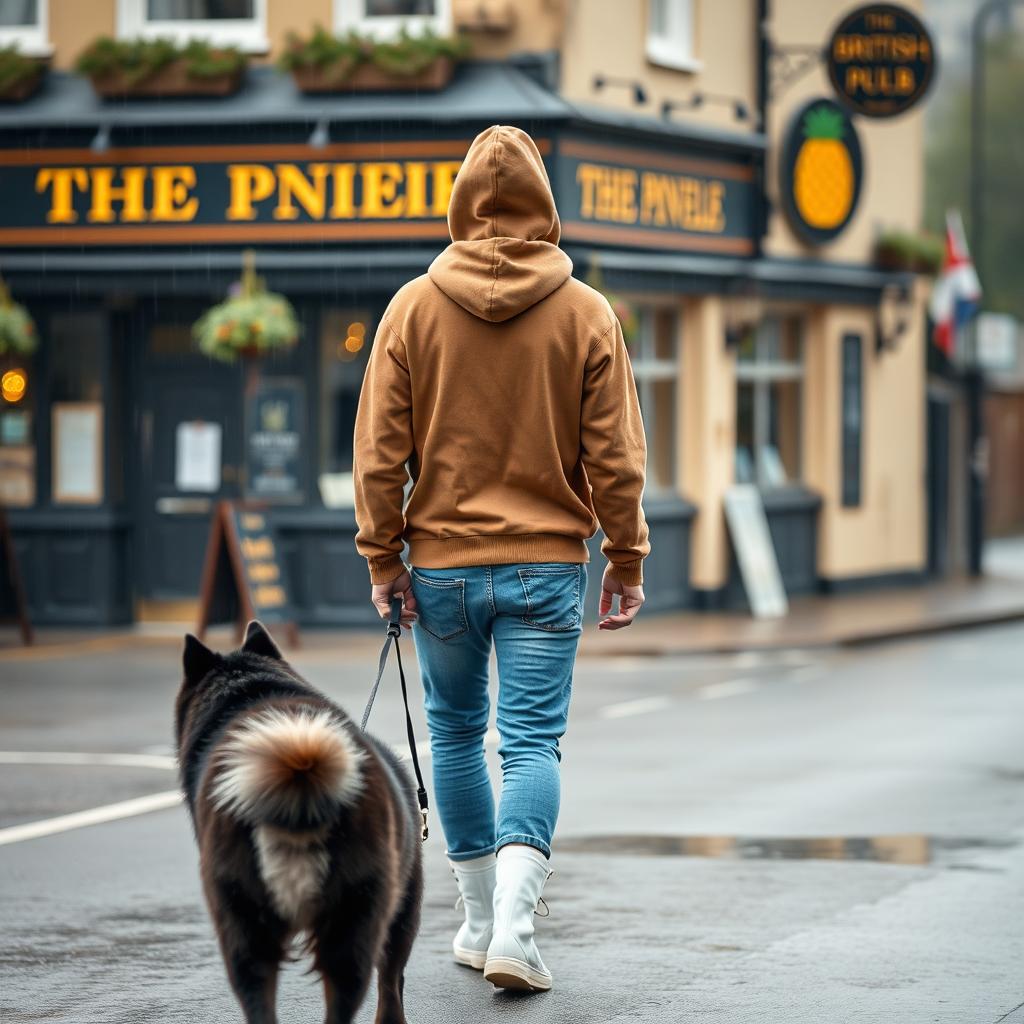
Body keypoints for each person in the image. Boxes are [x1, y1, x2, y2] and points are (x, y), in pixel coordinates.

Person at [353, 124, 650, 993]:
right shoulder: (586, 311)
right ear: (544, 204)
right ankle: (517, 929)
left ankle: (479, 919)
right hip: (546, 564)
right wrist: (625, 557)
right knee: (530, 744)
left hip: (440, 564)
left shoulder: (411, 307)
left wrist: (382, 557)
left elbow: (377, 453)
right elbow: (618, 459)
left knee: (452, 732)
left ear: (458, 203)